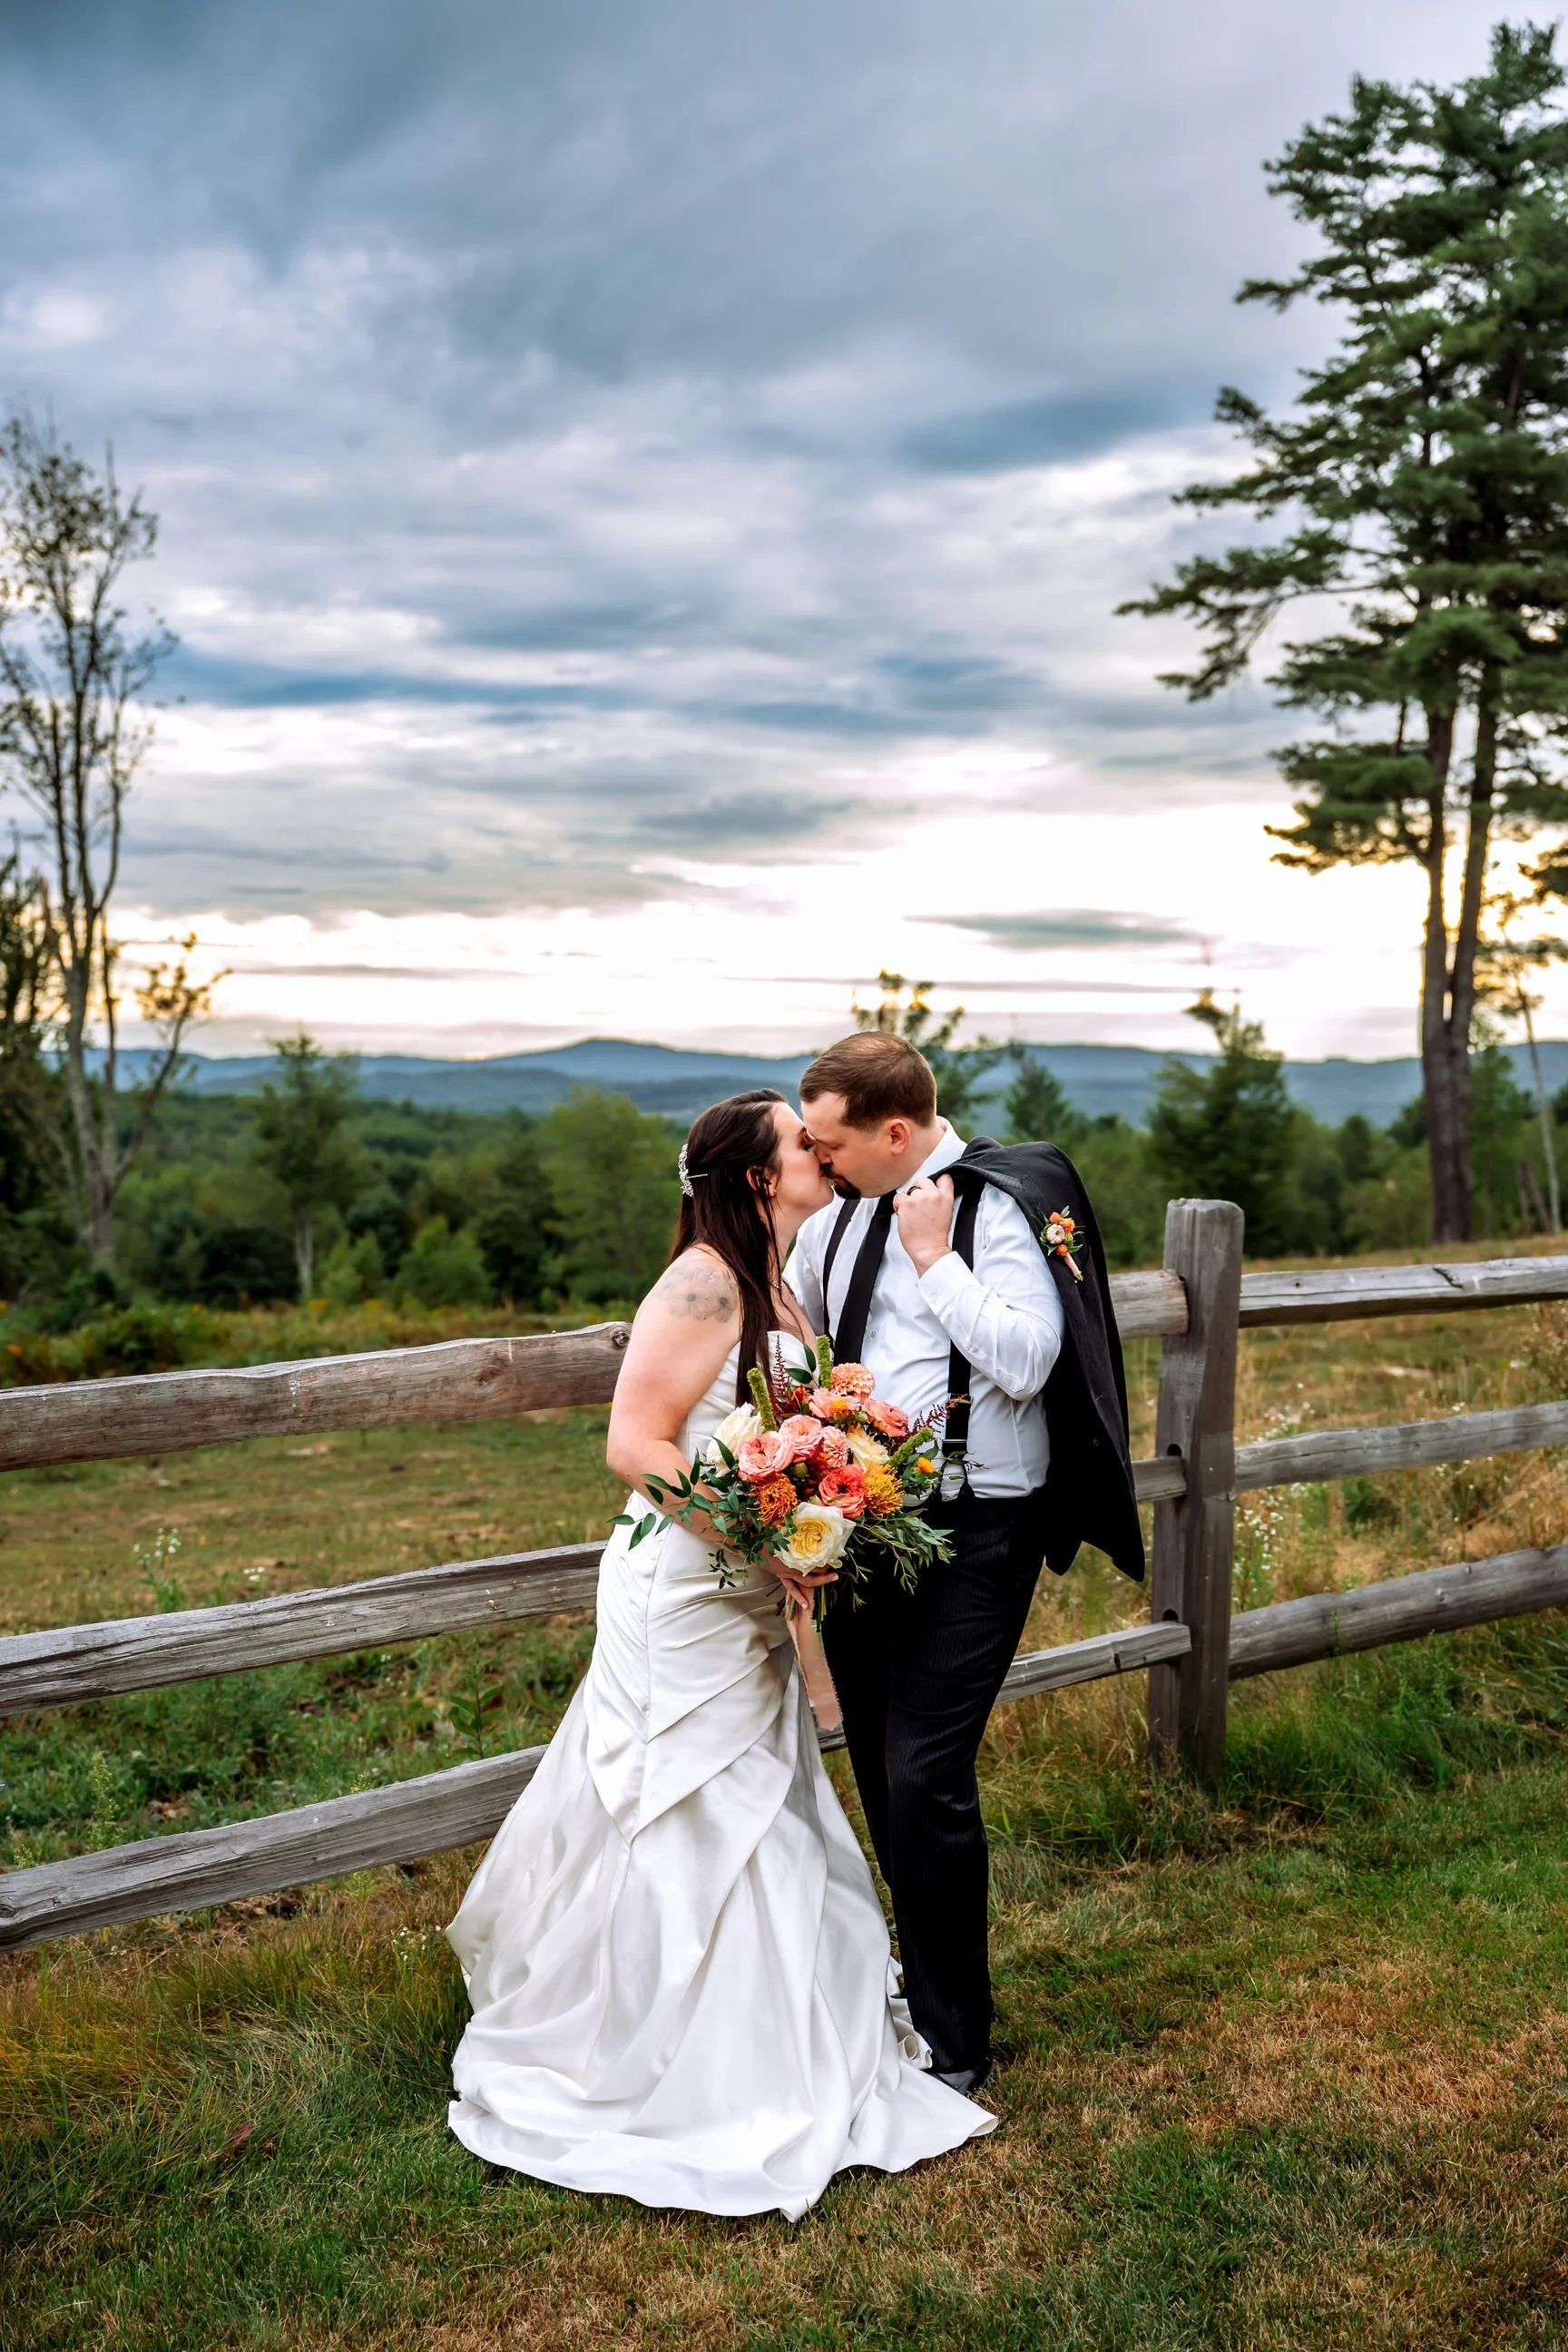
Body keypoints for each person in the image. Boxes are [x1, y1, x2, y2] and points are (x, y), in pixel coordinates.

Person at [446, 1088, 995, 2220]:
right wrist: (758, 1532)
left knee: (763, 1799)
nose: (820, 1150)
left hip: (746, 1591)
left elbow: (776, 1436)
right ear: (757, 1175)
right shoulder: (703, 1280)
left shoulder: (777, 1280)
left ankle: (771, 2036)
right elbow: (633, 1442)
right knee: (687, 1800)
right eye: (803, 1140)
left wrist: (819, 1510)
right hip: (682, 1591)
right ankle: (649, 2059)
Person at [792, 1032, 1141, 2096]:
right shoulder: (832, 1223)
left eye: (831, 1142)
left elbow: (1032, 1363)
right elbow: (797, 1338)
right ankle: (916, 1977)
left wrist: (936, 1258)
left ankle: (957, 2041)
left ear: (894, 1131)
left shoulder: (998, 1206)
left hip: (981, 1532)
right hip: (865, 1532)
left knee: (925, 1776)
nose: (818, 1161)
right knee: (881, 1768)